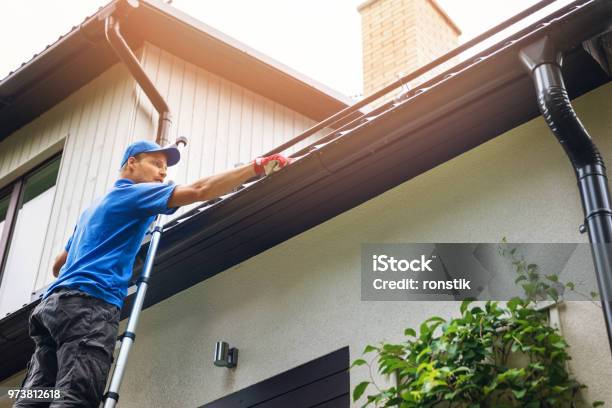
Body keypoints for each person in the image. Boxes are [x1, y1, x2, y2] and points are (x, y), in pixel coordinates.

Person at [14, 139, 290, 408]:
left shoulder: (92, 210)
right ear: (131, 164)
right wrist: (257, 166)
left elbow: (58, 265)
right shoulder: (133, 194)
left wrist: (116, 252)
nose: (162, 172)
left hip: (51, 308)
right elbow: (199, 189)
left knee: (35, 397)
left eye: (166, 169)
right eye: (156, 163)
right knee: (75, 394)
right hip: (88, 307)